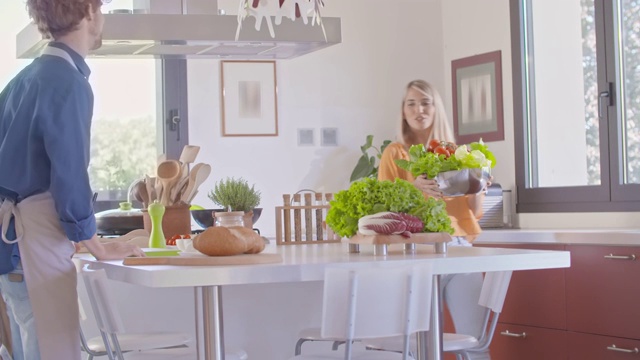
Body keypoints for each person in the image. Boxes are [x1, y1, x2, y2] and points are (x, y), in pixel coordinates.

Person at [0, 1, 145, 359]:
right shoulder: (67, 83)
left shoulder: (21, 82)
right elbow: (69, 175)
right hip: (32, 248)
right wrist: (97, 244)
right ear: (89, 13)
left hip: (11, 250)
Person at [378, 79, 489, 359]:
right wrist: (412, 187)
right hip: (415, 253)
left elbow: (472, 212)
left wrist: (480, 186)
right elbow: (384, 205)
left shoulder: (457, 154)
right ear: (403, 111)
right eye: (411, 103)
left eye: (425, 102)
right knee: (417, 344)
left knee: (474, 343)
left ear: (436, 108)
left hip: (459, 251)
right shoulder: (395, 153)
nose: (419, 110)